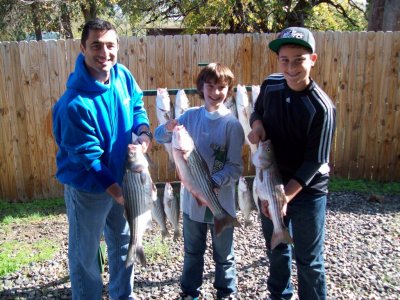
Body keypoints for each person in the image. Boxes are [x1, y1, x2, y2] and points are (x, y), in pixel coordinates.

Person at [52, 18, 152, 300]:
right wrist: (119, 193)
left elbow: (137, 107)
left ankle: (123, 295)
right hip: (88, 189)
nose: (104, 52)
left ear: (118, 46)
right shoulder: (74, 104)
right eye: (96, 45)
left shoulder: (123, 76)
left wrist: (143, 132)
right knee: (85, 255)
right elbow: (91, 159)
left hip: (123, 178)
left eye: (110, 45)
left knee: (123, 244)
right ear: (82, 47)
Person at [248, 27, 336, 300]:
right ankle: (279, 295)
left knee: (308, 259)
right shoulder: (271, 84)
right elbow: (257, 111)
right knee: (276, 248)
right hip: (271, 180)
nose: (291, 67)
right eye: (285, 59)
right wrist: (257, 125)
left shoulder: (322, 107)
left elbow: (315, 161)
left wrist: (286, 195)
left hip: (307, 189)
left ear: (313, 60)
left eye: (299, 59)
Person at [155, 63, 244, 300]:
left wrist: (215, 180)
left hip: (221, 202)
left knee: (224, 255)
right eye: (210, 86)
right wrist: (169, 126)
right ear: (201, 88)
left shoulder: (233, 125)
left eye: (222, 87)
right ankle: (189, 292)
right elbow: (158, 136)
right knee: (192, 251)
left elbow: (235, 168)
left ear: (229, 89)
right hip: (191, 203)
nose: (215, 92)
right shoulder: (189, 117)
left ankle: (226, 292)